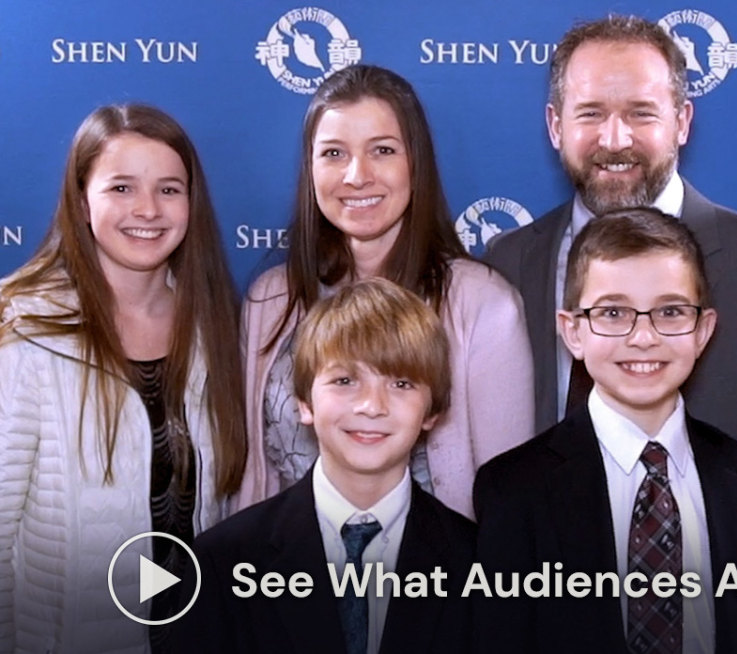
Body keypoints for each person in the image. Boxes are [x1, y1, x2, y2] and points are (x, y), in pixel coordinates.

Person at [484, 14, 737, 651]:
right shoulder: (505, 264)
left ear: (682, 120)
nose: (615, 138)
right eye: (591, 113)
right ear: (555, 126)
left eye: (641, 113)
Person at [475, 207, 737, 653]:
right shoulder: (514, 488)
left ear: (703, 330)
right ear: (572, 332)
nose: (643, 337)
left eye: (670, 312)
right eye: (614, 312)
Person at [237, 64, 534, 519]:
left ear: (415, 163)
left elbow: (509, 499)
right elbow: (255, 481)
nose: (357, 175)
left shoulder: (484, 304)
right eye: (334, 153)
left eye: (382, 150)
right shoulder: (271, 299)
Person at [0, 104, 246, 652]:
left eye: (168, 189)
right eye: (121, 188)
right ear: (81, 201)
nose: (148, 209)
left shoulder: (215, 327)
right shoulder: (22, 329)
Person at [175, 279, 475, 653]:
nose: (372, 405)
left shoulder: (475, 559)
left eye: (401, 383)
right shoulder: (223, 560)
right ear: (304, 403)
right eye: (345, 380)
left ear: (432, 410)